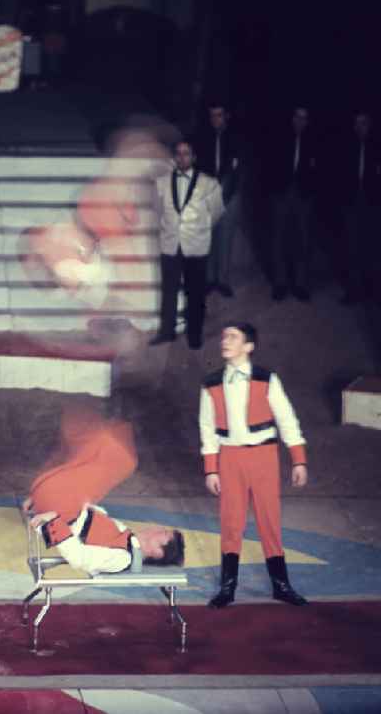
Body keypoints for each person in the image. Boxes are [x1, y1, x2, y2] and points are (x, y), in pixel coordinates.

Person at [200, 322, 308, 608]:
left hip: (263, 456)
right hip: (230, 457)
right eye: (224, 336)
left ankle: (281, 586)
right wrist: (211, 468)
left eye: (233, 337)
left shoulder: (266, 379)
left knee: (269, 519)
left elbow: (287, 419)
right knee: (231, 521)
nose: (225, 341)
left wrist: (298, 459)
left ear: (248, 346)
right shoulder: (211, 383)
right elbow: (207, 428)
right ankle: (228, 587)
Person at [22, 407, 185, 575]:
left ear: (158, 552)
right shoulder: (124, 534)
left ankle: (87, 421)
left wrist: (53, 519)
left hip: (61, 512)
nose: (158, 528)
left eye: (164, 533)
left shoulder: (121, 559)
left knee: (118, 454)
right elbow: (88, 515)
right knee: (112, 451)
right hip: (63, 504)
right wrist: (39, 499)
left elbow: (79, 558)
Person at [150, 139, 224, 350]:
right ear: (174, 157)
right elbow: (157, 210)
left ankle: (194, 334)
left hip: (196, 245)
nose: (182, 157)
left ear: (194, 157)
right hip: (170, 244)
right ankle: (167, 332)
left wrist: (199, 229)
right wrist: (172, 227)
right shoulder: (161, 182)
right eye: (179, 153)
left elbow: (216, 213)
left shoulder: (209, 183)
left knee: (196, 292)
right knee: (169, 290)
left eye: (187, 153)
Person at [267, 106, 319, 302]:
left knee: (303, 240)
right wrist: (273, 190)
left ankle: (300, 284)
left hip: (304, 197)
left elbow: (319, 169)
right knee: (278, 238)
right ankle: (280, 283)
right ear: (292, 118)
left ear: (308, 121)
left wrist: (311, 193)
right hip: (281, 194)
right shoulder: (280, 138)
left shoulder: (313, 141)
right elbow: (270, 164)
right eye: (297, 117)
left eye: (304, 118)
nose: (300, 121)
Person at [195, 103, 246, 297]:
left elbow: (240, 169)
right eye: (212, 116)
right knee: (208, 239)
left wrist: (232, 192)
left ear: (226, 117)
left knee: (226, 239)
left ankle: (223, 280)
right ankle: (208, 280)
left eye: (219, 116)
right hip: (207, 198)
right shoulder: (202, 139)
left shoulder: (236, 139)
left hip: (230, 196)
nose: (215, 120)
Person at [335, 112, 381, 305]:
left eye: (364, 123)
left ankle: (371, 289)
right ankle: (353, 289)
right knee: (352, 247)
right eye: (357, 124)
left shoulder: (376, 147)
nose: (361, 127)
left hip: (372, 203)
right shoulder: (348, 148)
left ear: (369, 125)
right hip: (352, 203)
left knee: (371, 247)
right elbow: (340, 175)